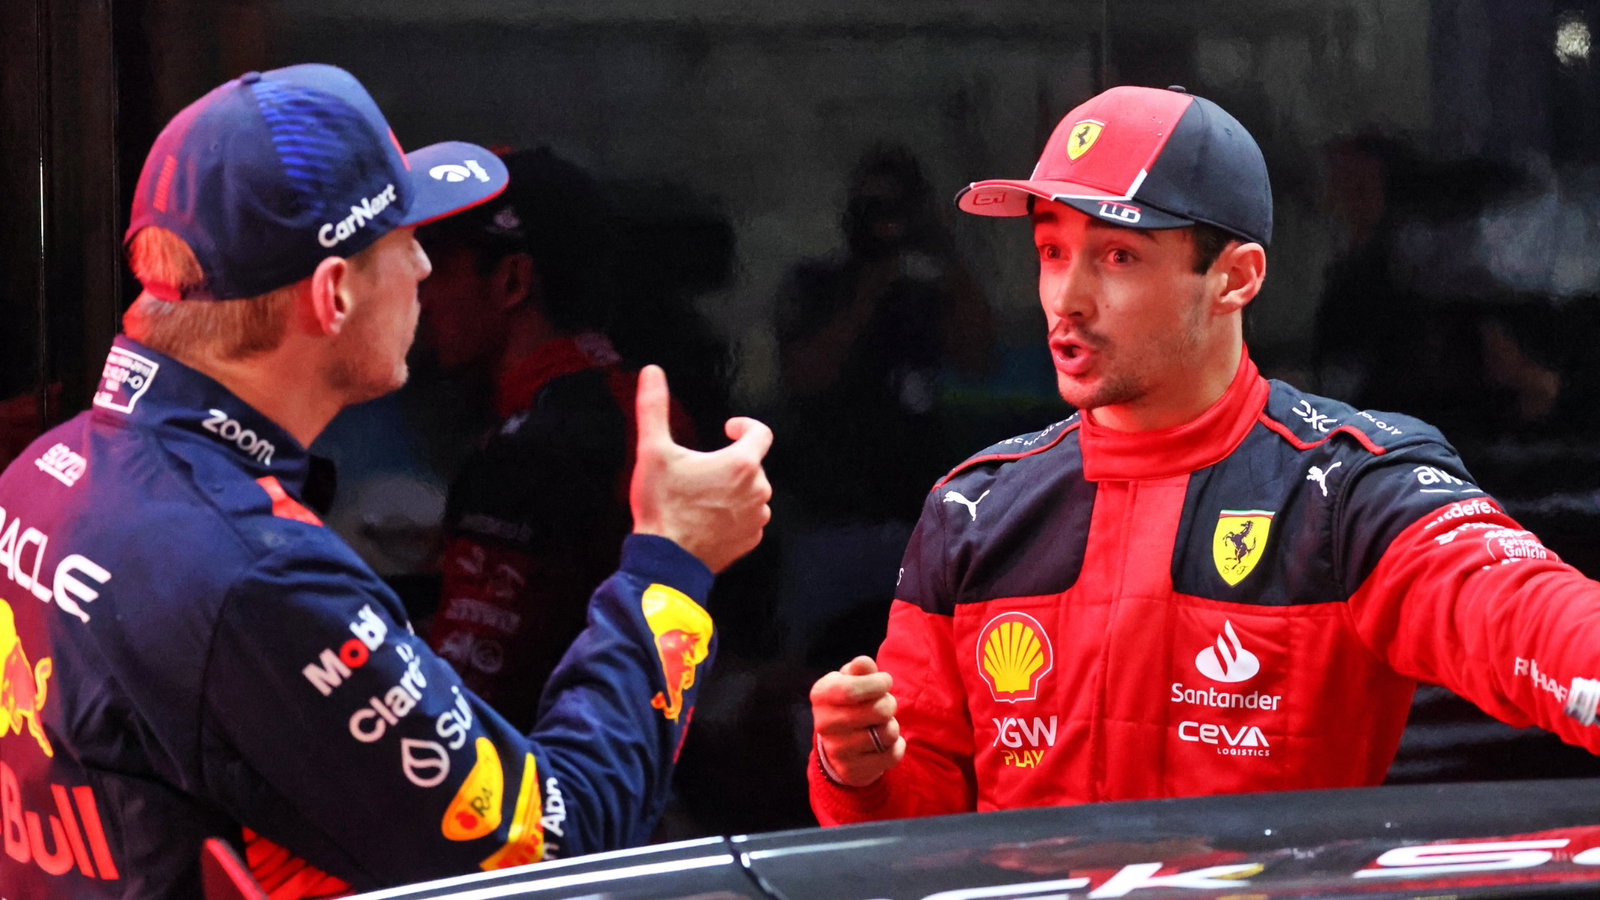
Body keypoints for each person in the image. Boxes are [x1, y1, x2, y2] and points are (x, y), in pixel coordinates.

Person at [0, 63, 772, 898]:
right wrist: (672, 562)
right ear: (333, 295)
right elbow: (559, 842)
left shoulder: (40, 475)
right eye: (407, 243)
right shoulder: (258, 575)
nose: (425, 273)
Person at [807, 84, 1600, 823]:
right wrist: (858, 767)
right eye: (1052, 252)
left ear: (1235, 278)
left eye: (1117, 256)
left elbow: (1521, 614)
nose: (1066, 298)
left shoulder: (1345, 485)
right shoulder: (972, 507)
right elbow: (919, 824)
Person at [416, 147, 697, 730]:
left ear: (513, 280)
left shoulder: (527, 454)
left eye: (439, 268)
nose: (421, 296)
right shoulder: (654, 406)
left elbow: (462, 701)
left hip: (560, 785)